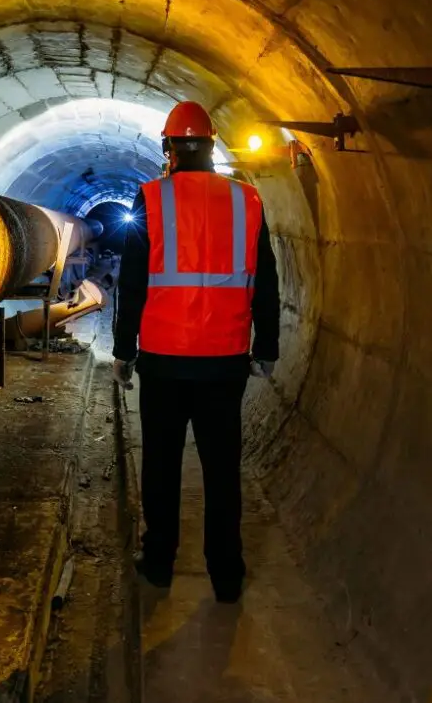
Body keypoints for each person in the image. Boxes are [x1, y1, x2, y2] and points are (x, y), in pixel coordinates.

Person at [112, 100, 280, 604]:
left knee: (161, 464)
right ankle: (226, 573)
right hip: (225, 361)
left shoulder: (152, 198)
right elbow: (266, 282)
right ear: (211, 145)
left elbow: (134, 281)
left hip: (163, 359)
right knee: (222, 468)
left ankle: (160, 562)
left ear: (169, 148)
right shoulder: (247, 201)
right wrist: (266, 347)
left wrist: (123, 348)